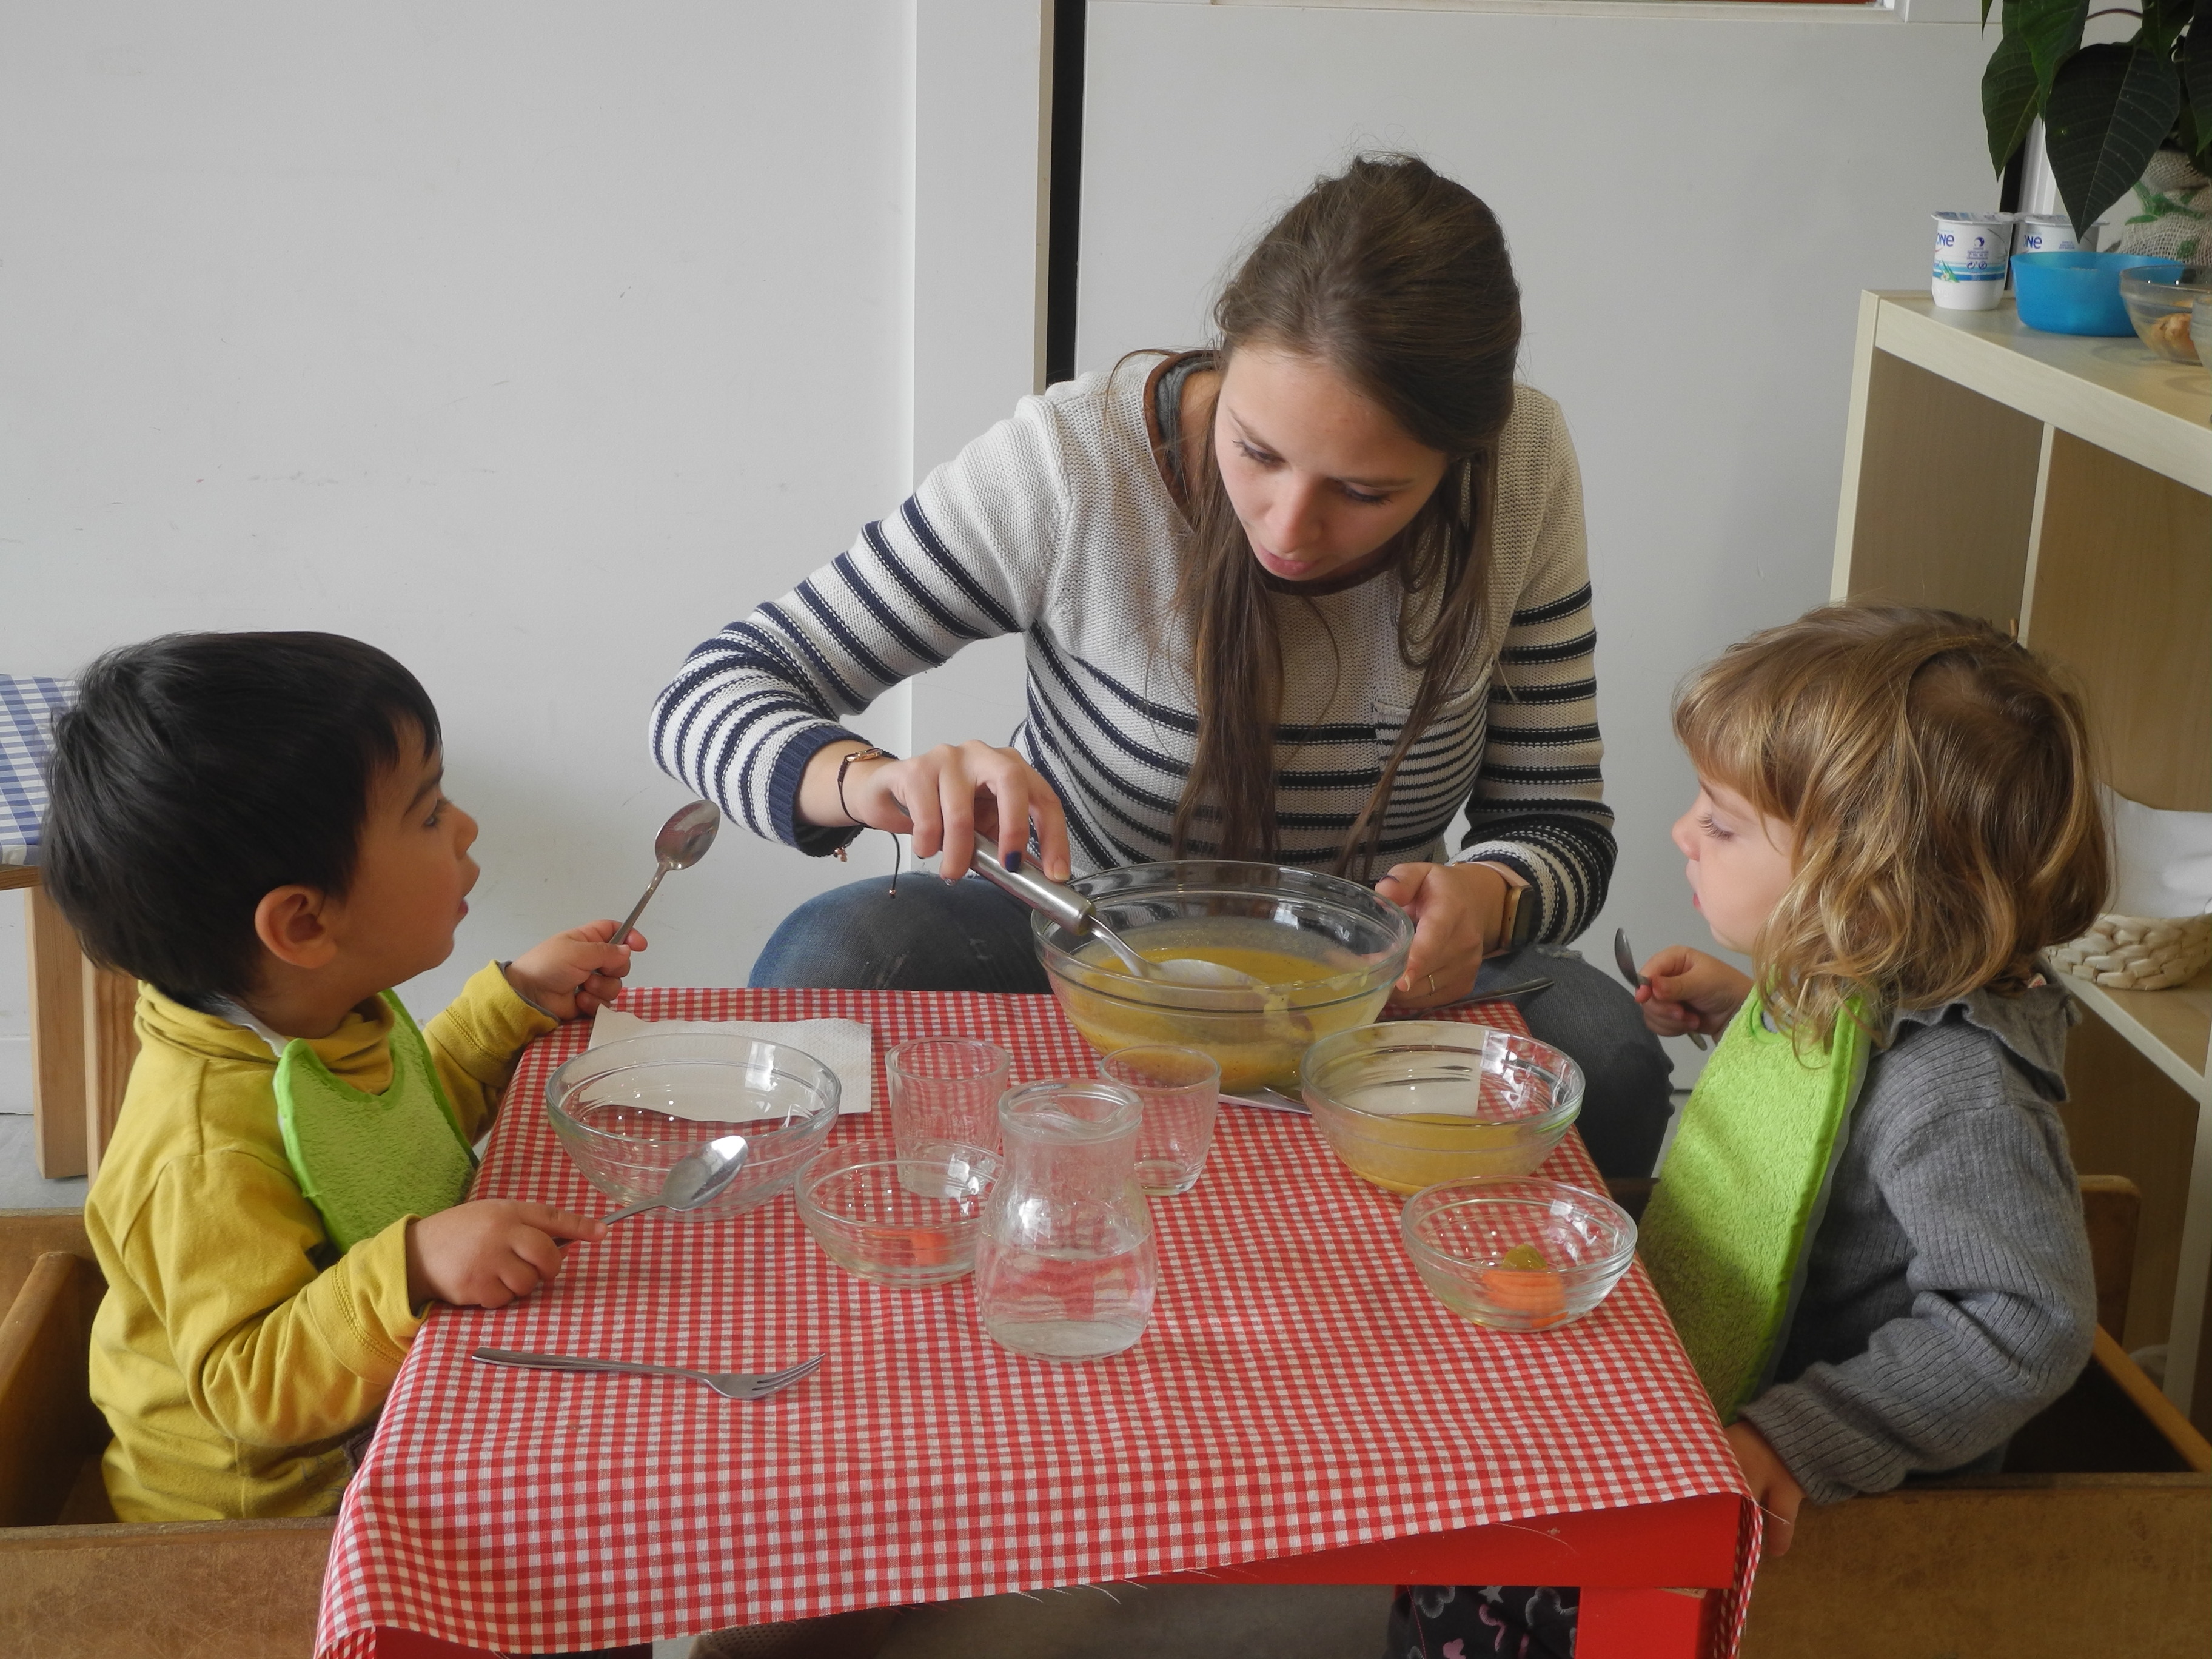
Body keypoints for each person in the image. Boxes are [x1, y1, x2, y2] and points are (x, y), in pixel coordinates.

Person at [653, 155, 1671, 1176]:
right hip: (1088, 939)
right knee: (837, 957)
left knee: (1612, 1052)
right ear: (1226, 368)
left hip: (1375, 981)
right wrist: (871, 778)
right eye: (1257, 451)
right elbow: (710, 693)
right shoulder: (1075, 463)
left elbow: (1560, 828)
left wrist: (1492, 899)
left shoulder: (1524, 466)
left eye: (1364, 492)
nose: (1288, 526)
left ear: (1460, 458)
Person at [1388, 605, 2105, 1657]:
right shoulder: (1858, 977)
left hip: (1828, 1482)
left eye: (1722, 825)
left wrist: (1801, 1435)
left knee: (1517, 1582)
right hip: (1722, 1392)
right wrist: (1745, 1007)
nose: (1683, 832)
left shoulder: (1960, 1091)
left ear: (1866, 887)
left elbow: (2025, 1321)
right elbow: (1827, 1119)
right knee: (1466, 1494)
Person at [42, 632, 635, 1523]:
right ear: (304, 924)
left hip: (376, 1412)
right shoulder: (201, 1152)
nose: (466, 826)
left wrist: (510, 1005)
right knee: (581, 1513)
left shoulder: (317, 1008)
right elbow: (253, 1392)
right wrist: (414, 1266)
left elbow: (384, 1138)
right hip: (270, 1517)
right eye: (429, 815)